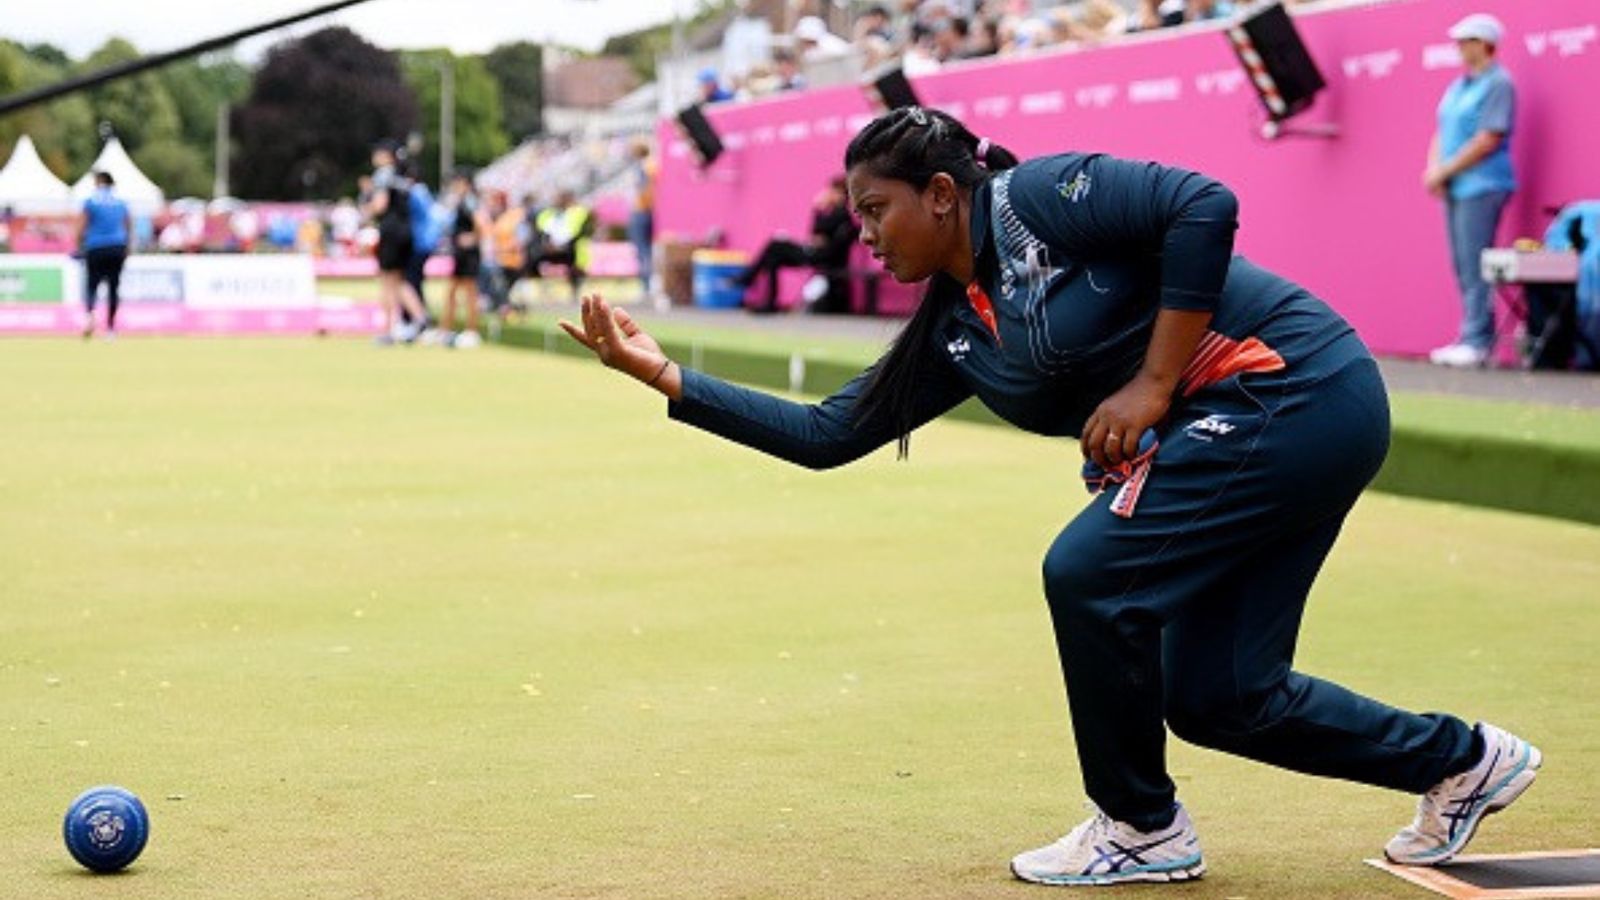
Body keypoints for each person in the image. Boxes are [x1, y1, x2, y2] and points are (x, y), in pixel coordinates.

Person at [559, 107, 1540, 886]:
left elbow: (1202, 202)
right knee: (1219, 697)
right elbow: (829, 435)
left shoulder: (1037, 201)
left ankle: (1141, 830)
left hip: (1296, 389)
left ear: (941, 194)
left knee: (1086, 572)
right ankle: (1460, 762)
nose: (861, 235)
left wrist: (1152, 385)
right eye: (854, 215)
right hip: (1267, 430)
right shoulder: (957, 330)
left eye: (874, 208)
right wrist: (665, 378)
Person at [1426, 14, 1517, 369]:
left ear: (1484, 44)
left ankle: (1478, 341)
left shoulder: (1500, 83)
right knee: (1463, 263)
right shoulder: (1458, 85)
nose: (1460, 47)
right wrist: (1435, 170)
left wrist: (1443, 171)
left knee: (1475, 262)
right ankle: (1470, 336)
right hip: (1455, 185)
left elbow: (1488, 138)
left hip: (1483, 185)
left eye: (1466, 40)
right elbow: (1441, 130)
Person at [734, 174, 857, 314]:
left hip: (821, 257)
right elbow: (816, 236)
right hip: (815, 252)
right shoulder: (833, 214)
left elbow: (819, 235)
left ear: (841, 195)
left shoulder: (841, 215)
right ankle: (768, 300)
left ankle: (750, 279)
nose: (828, 194)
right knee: (773, 257)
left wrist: (817, 209)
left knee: (775, 246)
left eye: (833, 191)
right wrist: (818, 236)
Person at [362, 142, 429, 344]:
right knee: (399, 280)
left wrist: (366, 210)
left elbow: (380, 205)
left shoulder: (384, 175)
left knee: (387, 281)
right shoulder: (404, 177)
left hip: (391, 232)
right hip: (407, 232)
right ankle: (421, 318)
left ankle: (388, 330)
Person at [78, 170, 131, 340]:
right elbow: (128, 225)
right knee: (113, 288)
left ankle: (90, 315)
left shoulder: (90, 201)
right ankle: (110, 328)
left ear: (99, 181)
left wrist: (78, 245)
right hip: (117, 246)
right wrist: (127, 247)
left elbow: (82, 225)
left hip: (95, 246)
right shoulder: (121, 203)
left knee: (92, 285)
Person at [442, 170, 490, 348]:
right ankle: (447, 329)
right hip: (461, 253)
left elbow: (481, 223)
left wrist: (473, 238)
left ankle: (472, 330)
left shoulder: (470, 200)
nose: (455, 186)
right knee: (454, 290)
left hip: (469, 253)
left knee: (470, 292)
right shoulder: (463, 201)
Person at [528, 189, 594, 302]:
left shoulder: (580, 212)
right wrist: (548, 244)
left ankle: (575, 292)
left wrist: (563, 246)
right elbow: (540, 232)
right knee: (532, 258)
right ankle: (540, 290)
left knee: (576, 267)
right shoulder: (548, 214)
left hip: (572, 250)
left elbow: (582, 232)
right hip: (550, 249)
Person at [624, 139, 658, 299]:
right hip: (647, 211)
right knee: (646, 250)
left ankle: (647, 286)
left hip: (641, 211)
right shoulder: (650, 166)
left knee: (642, 250)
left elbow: (643, 190)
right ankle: (649, 284)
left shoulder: (642, 168)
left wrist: (642, 206)